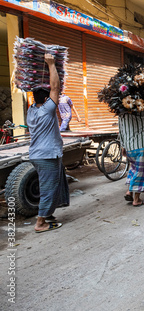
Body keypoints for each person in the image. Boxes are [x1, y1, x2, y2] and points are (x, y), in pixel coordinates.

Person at [27, 53, 68, 233]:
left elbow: (49, 90)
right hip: (47, 155)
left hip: (38, 154)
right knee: (48, 188)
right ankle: (40, 222)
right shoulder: (47, 110)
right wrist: (51, 64)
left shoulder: (31, 111)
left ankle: (49, 214)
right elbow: (55, 87)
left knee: (55, 184)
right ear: (46, 100)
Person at [120, 104, 144, 207]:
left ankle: (129, 191)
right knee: (141, 171)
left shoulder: (121, 112)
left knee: (133, 168)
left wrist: (123, 146)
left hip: (129, 146)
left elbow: (121, 131)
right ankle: (136, 200)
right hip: (142, 144)